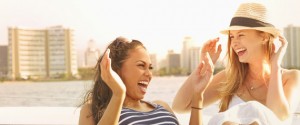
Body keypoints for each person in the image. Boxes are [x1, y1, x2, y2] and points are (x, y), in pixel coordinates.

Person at [173, 2, 300, 125]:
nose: (234, 43)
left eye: (241, 35)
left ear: (264, 37)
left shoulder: (291, 77)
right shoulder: (230, 77)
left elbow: (277, 117)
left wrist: (275, 66)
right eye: (232, 36)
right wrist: (204, 66)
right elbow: (179, 106)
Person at [78, 37, 211, 125]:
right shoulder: (92, 110)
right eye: (141, 66)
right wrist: (119, 94)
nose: (149, 74)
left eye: (150, 67)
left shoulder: (162, 106)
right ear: (117, 70)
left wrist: (197, 96)